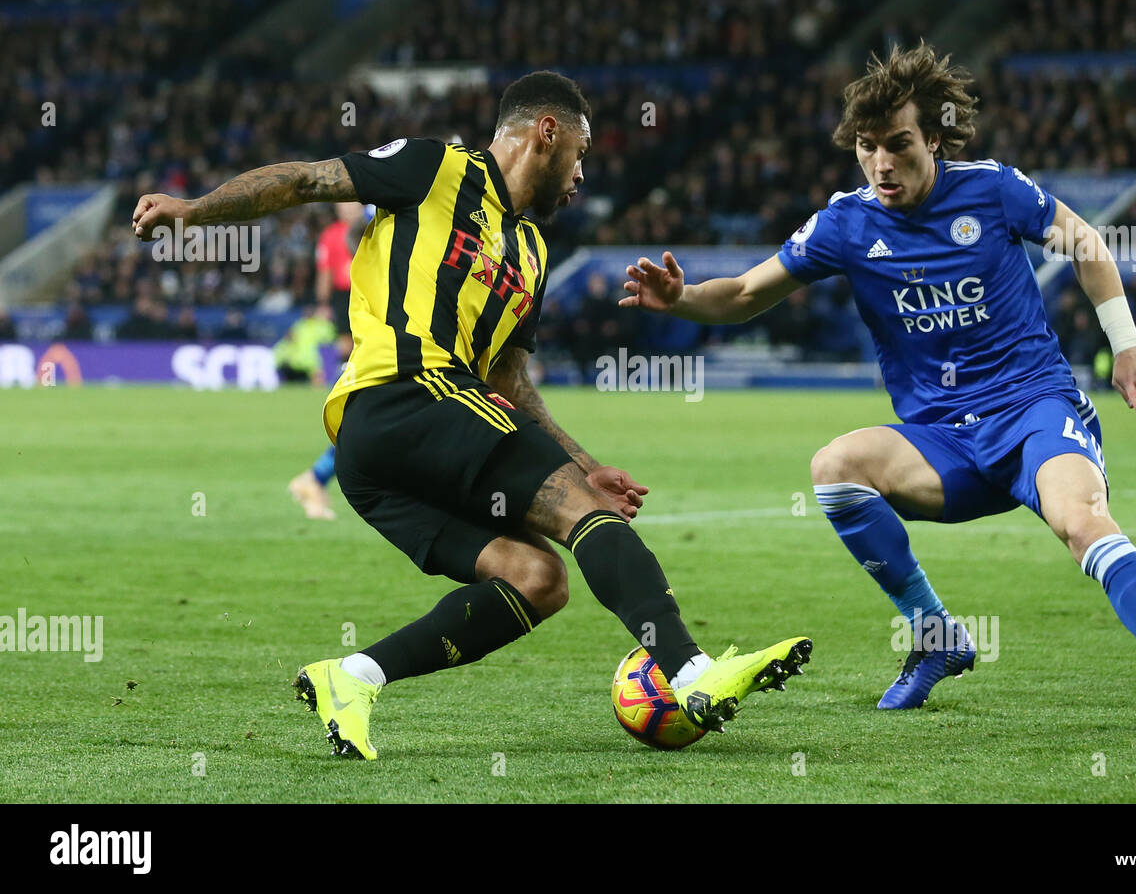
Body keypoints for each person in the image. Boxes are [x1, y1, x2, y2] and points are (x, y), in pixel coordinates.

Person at [132, 70, 811, 759]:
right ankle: (694, 673)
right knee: (581, 520)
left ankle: (352, 677)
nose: (580, 177)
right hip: (403, 391)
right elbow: (307, 182)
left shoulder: (535, 254)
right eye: (579, 155)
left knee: (537, 580)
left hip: (389, 462)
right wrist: (193, 212)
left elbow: (511, 382)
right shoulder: (436, 167)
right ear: (546, 133)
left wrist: (585, 467)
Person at [620, 44, 1136, 730]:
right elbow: (739, 294)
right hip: (943, 443)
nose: (882, 163)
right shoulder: (846, 224)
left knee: (1081, 523)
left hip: (1034, 411)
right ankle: (937, 637)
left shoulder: (992, 189)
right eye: (868, 146)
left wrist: (1126, 346)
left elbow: (1088, 245)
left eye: (899, 145)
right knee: (835, 469)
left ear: (935, 139)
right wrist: (680, 300)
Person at [288, 203, 371, 521]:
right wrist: (323, 303)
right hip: (353, 298)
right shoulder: (335, 235)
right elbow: (325, 271)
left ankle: (315, 478)